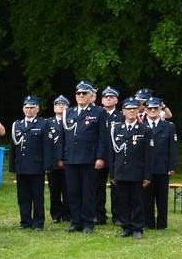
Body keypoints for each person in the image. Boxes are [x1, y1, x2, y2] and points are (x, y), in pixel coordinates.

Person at [60, 81, 108, 233]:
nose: (81, 96)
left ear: (90, 96)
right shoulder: (69, 112)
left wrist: (100, 157)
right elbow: (62, 137)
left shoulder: (98, 112)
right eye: (78, 93)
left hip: (89, 158)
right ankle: (76, 221)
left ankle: (88, 222)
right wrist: (61, 157)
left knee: (88, 192)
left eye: (84, 93)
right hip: (71, 158)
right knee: (72, 191)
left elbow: (103, 137)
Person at [107, 97, 150, 239]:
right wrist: (112, 174)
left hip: (137, 171)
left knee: (137, 201)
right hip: (121, 172)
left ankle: (137, 228)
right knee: (123, 201)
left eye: (134, 109)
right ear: (123, 112)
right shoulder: (116, 129)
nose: (131, 111)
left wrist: (147, 175)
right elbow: (112, 153)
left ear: (138, 110)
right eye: (128, 109)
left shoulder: (144, 129)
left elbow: (148, 155)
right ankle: (126, 227)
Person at [10, 95, 48, 230]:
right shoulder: (17, 125)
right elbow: (14, 147)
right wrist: (12, 166)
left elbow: (46, 147)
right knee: (23, 196)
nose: (29, 110)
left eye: (32, 107)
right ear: (23, 109)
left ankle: (38, 222)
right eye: (27, 107)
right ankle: (25, 221)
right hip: (21, 166)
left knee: (37, 197)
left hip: (37, 166)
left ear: (37, 109)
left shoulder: (43, 124)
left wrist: (46, 166)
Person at [143, 96, 178, 229]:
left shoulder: (169, 127)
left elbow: (173, 148)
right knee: (147, 198)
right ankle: (148, 223)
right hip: (146, 169)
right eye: (150, 108)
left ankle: (162, 224)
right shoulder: (141, 125)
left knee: (162, 198)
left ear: (160, 109)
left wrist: (172, 166)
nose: (152, 110)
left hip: (162, 168)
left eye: (155, 108)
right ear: (145, 110)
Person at [96, 86, 124, 226]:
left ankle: (117, 216)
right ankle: (99, 215)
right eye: (106, 97)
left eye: (111, 97)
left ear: (116, 100)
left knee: (116, 186)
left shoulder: (121, 116)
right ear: (101, 100)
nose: (108, 99)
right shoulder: (96, 114)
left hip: (116, 156)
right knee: (97, 187)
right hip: (100, 156)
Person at [45, 95, 69, 222]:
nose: (60, 106)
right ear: (54, 108)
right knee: (54, 190)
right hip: (52, 162)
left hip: (67, 161)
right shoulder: (48, 123)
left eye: (63, 104)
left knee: (68, 189)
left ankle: (67, 214)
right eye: (57, 104)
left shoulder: (71, 121)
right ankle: (56, 214)